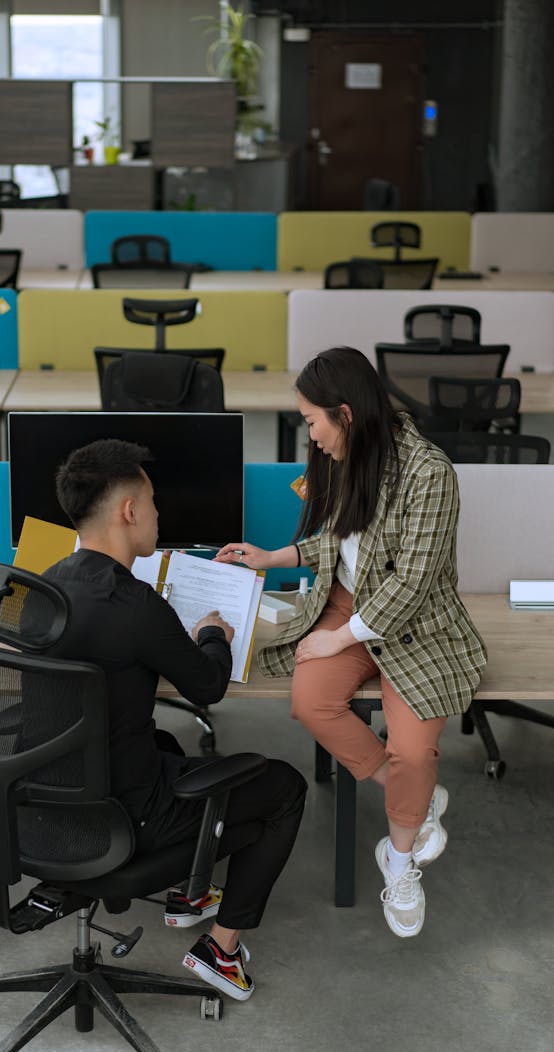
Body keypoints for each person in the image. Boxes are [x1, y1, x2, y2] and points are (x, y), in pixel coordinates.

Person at [216, 346, 487, 939]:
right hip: (345, 602)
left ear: (344, 413)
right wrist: (275, 557)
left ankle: (398, 855)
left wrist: (341, 638)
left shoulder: (428, 473)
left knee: (414, 749)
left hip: (414, 624)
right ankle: (411, 799)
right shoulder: (349, 457)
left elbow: (413, 582)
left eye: (312, 421)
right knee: (310, 703)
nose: (309, 436)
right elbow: (338, 542)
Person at [37, 438, 307, 1000]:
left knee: (161, 738)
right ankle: (221, 951)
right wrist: (214, 635)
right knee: (282, 789)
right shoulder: (135, 604)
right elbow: (207, 688)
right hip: (123, 811)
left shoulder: (43, 582)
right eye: (153, 502)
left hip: (44, 800)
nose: (160, 515)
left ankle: (191, 892)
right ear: (129, 511)